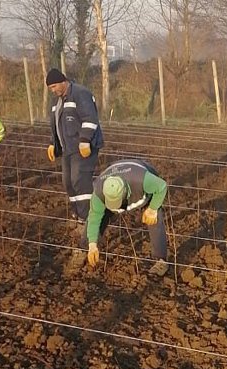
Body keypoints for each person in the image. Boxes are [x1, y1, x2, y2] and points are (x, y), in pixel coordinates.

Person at [44, 68, 104, 267]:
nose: (52, 90)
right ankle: (77, 216)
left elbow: (90, 119)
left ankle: (87, 221)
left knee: (81, 182)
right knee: (68, 183)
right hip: (67, 150)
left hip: (82, 149)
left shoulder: (80, 93)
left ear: (63, 81)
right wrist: (54, 142)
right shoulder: (58, 102)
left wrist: (85, 140)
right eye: (50, 87)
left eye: (54, 86)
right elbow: (56, 125)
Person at [85, 159, 170, 276]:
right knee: (98, 217)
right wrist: (92, 245)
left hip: (141, 187)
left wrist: (152, 209)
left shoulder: (141, 180)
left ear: (125, 192)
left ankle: (161, 261)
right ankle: (83, 249)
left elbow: (161, 186)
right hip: (120, 176)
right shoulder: (99, 192)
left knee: (155, 218)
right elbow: (94, 218)